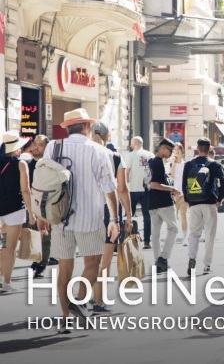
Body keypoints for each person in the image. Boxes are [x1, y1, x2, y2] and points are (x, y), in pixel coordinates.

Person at [38, 108, 120, 327]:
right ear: (86, 126)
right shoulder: (98, 150)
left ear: (68, 127)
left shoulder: (53, 147)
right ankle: (80, 300)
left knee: (64, 267)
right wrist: (115, 220)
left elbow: (44, 183)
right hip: (90, 217)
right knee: (93, 262)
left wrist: (41, 215)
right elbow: (109, 189)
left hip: (59, 216)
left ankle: (65, 319)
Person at [89, 121, 133, 312]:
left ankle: (85, 297)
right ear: (108, 136)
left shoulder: (84, 154)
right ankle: (98, 301)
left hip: (86, 212)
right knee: (104, 261)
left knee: (90, 260)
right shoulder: (115, 157)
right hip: (109, 213)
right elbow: (122, 189)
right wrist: (129, 216)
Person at [183, 137, 224, 275]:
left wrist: (189, 200)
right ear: (209, 149)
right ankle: (207, 265)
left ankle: (192, 259)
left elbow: (184, 185)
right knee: (209, 234)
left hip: (194, 203)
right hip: (210, 202)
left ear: (197, 148)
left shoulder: (189, 164)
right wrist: (219, 199)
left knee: (194, 233)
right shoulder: (215, 165)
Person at [0, 131, 33, 293]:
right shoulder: (21, 164)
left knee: (2, 246)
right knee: (10, 247)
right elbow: (25, 190)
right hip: (14, 209)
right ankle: (6, 282)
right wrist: (32, 213)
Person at [147, 137, 178, 273]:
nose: (170, 153)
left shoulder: (150, 162)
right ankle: (163, 258)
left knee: (155, 234)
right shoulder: (158, 163)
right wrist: (172, 189)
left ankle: (158, 263)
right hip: (163, 203)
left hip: (152, 203)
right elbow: (154, 184)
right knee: (173, 228)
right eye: (170, 150)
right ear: (163, 149)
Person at [28, 135, 53, 279]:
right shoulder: (27, 164)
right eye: (35, 144)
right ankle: (37, 258)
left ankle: (42, 263)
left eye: (40, 145)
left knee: (45, 235)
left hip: (46, 204)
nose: (36, 147)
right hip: (30, 204)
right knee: (32, 234)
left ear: (46, 147)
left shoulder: (50, 164)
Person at [125, 136, 153, 249]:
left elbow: (127, 171)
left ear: (135, 143)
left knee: (129, 215)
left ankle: (128, 238)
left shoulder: (131, 155)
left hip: (133, 188)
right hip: (146, 189)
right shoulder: (150, 155)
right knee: (147, 215)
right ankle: (147, 241)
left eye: (132, 143)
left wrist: (125, 186)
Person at [169, 143, 188, 245]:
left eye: (178, 149)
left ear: (182, 152)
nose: (176, 151)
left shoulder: (186, 165)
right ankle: (174, 236)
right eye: (174, 150)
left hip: (183, 193)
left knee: (183, 214)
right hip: (173, 193)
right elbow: (171, 176)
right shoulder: (170, 164)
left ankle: (185, 236)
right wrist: (173, 163)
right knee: (173, 217)